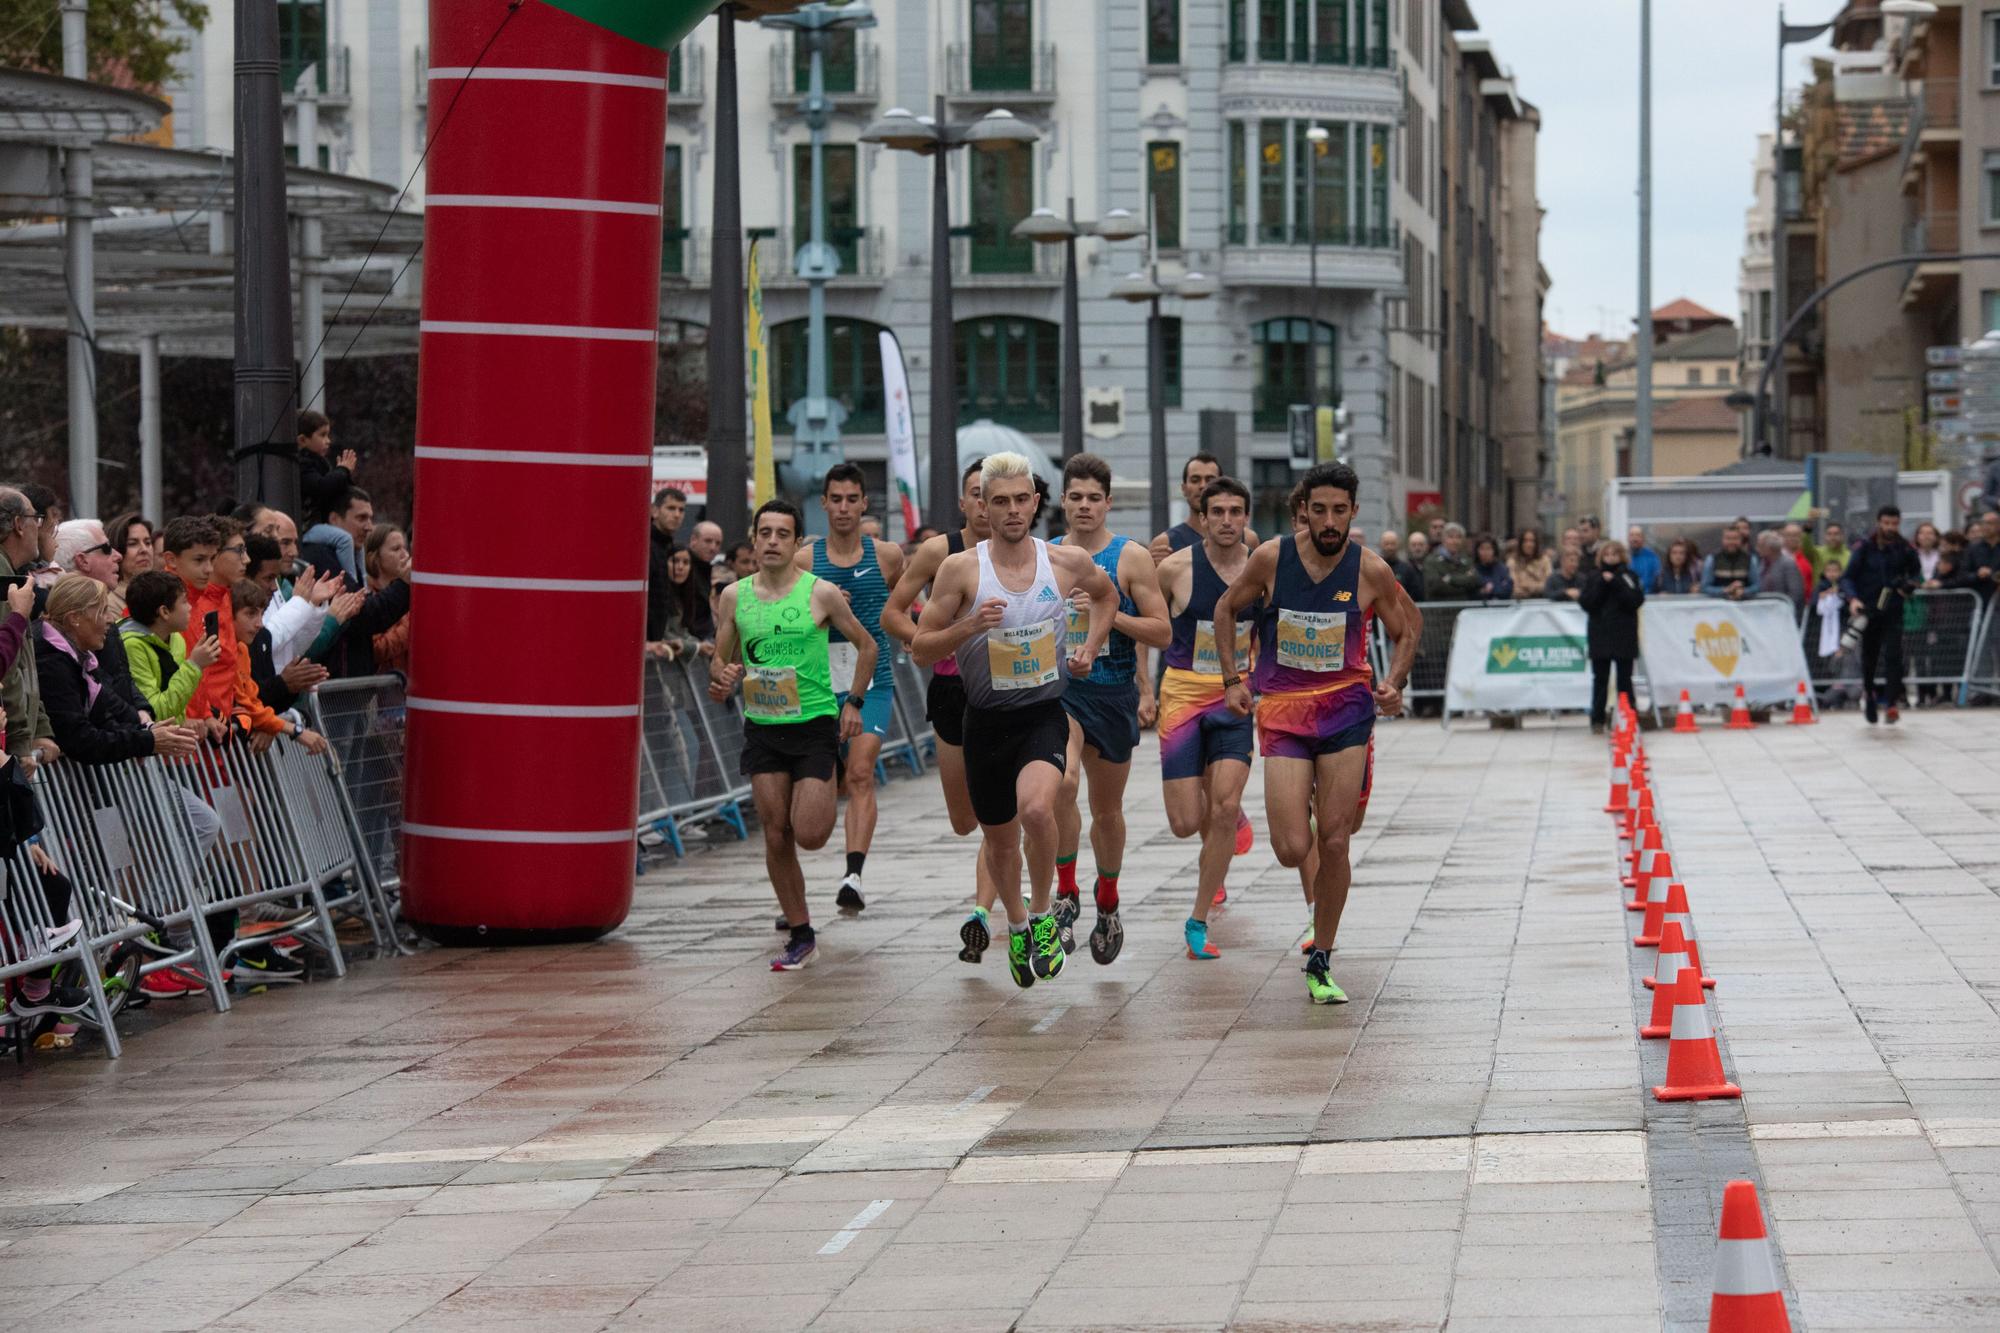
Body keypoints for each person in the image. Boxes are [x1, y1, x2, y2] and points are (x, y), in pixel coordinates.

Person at [1212, 462, 1418, 1004]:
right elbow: (1226, 608)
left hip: (1346, 712)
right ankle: (1294, 807)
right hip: (1283, 711)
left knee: (1334, 839)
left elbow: (1405, 630)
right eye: (1320, 510)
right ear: (1306, 511)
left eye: (1340, 511)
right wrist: (1233, 678)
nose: (1329, 521)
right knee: (1290, 846)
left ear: (1353, 511)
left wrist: (1394, 683)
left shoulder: (1370, 570)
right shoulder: (1272, 558)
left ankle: (1322, 953)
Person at [912, 453, 1117, 989]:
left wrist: (1091, 647)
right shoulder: (961, 569)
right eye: (998, 500)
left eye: (1020, 499)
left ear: (1034, 502)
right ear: (982, 503)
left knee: (1038, 808)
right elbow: (919, 647)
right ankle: (1019, 924)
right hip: (985, 722)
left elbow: (1106, 596)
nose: (1010, 510)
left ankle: (1045, 913)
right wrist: (969, 626)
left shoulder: (1065, 560)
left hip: (1043, 714)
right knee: (1000, 844)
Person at [709, 499, 879, 971]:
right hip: (763, 728)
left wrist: (855, 703)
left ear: (797, 542)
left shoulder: (819, 593)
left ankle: (830, 784)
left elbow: (867, 647)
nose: (772, 541)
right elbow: (720, 662)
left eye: (783, 534)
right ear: (754, 537)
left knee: (808, 834)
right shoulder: (734, 597)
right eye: (765, 532)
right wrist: (722, 677)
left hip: (813, 726)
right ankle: (802, 933)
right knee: (775, 832)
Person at [1049, 454, 1170, 962]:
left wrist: (1110, 613)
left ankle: (1108, 897)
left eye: (1093, 498)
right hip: (1059, 693)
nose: (1083, 506)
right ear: (1061, 502)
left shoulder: (1130, 557)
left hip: (1113, 693)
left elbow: (1161, 630)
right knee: (1063, 781)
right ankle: (1067, 888)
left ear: (1108, 503)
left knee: (1107, 811)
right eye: (1074, 497)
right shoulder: (1045, 554)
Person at [882, 459, 999, 961]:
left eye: (990, 495)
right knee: (963, 819)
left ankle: (983, 913)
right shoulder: (939, 551)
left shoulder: (1025, 554)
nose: (983, 504)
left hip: (1007, 694)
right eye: (975, 494)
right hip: (952, 693)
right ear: (964, 501)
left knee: (1001, 813)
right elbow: (892, 613)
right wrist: (930, 641)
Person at [1155, 477, 1264, 960]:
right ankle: (1223, 807)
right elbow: (1150, 627)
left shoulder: (1261, 570)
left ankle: (1198, 919)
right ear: (1201, 519)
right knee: (1184, 822)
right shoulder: (1176, 569)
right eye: (1216, 512)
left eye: (1235, 511)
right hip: (1182, 695)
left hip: (1234, 698)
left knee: (1220, 810)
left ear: (1246, 518)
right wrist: (1141, 685)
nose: (1225, 520)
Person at [795, 462, 906, 916]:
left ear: (864, 503)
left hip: (870, 675)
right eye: (834, 499)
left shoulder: (888, 556)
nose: (843, 508)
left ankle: (853, 875)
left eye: (851, 499)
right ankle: (794, 886)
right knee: (812, 783)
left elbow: (897, 604)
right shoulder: (804, 560)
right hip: (818, 678)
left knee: (860, 772)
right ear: (823, 504)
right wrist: (823, 612)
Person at [1840, 504, 1922, 724]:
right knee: (1870, 657)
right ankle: (1870, 694)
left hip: (1894, 608)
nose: (1890, 527)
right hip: (1869, 608)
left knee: (1894, 656)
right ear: (1879, 522)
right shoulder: (1864, 547)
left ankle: (1892, 702)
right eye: (1886, 523)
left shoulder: (1905, 548)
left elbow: (1916, 573)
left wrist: (1909, 586)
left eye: (1894, 523)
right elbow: (1847, 577)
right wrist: (1853, 599)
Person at [0, 489, 53, 769]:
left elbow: (25, 663)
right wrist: (20, 743)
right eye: (37, 518)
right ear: (19, 524)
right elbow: (6, 664)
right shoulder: (2, 574)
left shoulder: (12, 572)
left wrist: (40, 729)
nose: (40, 527)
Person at [1580, 539, 1644, 734]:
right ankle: (1597, 718)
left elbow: (1636, 600)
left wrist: (1615, 583)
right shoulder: (1593, 577)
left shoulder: (1628, 576)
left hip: (1623, 634)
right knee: (1600, 679)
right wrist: (1602, 584)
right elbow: (1586, 602)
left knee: (1625, 679)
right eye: (1606, 555)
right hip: (1600, 635)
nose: (1610, 558)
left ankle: (1629, 716)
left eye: (1614, 554)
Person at [300, 485, 373, 590]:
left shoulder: (353, 553)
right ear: (334, 519)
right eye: (361, 518)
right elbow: (355, 599)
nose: (369, 527)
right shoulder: (321, 557)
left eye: (370, 519)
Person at [363, 525, 413, 673]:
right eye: (396, 549)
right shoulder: (367, 596)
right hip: (379, 689)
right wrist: (410, 627)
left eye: (405, 548)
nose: (405, 554)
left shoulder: (408, 594)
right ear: (375, 558)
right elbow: (376, 649)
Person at [296, 409, 357, 526]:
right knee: (344, 539)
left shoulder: (320, 463)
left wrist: (345, 474)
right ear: (303, 440)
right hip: (308, 526)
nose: (328, 441)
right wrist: (342, 471)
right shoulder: (303, 464)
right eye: (323, 435)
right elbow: (321, 488)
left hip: (320, 523)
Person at [645, 549, 705, 663]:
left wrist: (700, 645)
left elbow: (681, 631)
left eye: (686, 562)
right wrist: (697, 647)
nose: (680, 567)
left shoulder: (683, 596)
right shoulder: (657, 596)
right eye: (675, 561)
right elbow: (664, 634)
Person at [647, 487, 689, 646]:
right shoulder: (647, 546)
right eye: (671, 508)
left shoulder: (666, 547)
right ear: (655, 511)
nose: (677, 514)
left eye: (681, 510)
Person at [1420, 522, 1480, 601]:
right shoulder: (1431, 560)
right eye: (1450, 537)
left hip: (1463, 608)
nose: (1455, 541)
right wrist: (1464, 581)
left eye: (1458, 537)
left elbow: (1475, 582)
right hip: (1439, 610)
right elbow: (1435, 586)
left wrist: (1449, 579)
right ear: (1443, 539)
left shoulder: (1467, 560)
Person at [1701, 525, 1760, 599]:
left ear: (1741, 540)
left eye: (1735, 538)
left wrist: (1744, 591)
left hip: (1744, 605)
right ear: (1722, 539)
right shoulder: (1712, 559)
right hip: (1718, 605)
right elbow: (1705, 587)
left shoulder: (1750, 559)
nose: (1731, 542)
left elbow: (1757, 586)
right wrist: (1726, 590)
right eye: (1728, 538)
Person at [108, 513, 154, 602]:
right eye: (132, 544)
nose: (144, 550)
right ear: (116, 550)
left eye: (148, 542)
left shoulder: (166, 595)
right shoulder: (108, 604)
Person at [1757, 530, 1805, 610]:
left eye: (1760, 546)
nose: (1757, 548)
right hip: (1766, 611)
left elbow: (1796, 592)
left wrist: (1783, 608)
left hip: (1783, 612)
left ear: (1769, 548)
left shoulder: (1788, 564)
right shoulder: (1763, 563)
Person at [1383, 530, 1427, 605]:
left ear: (1398, 545)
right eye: (1387, 544)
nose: (1390, 547)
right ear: (1381, 545)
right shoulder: (1376, 568)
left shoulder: (1407, 569)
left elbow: (1415, 594)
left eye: (1393, 544)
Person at [1507, 527, 1550, 600]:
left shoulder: (1544, 560)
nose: (1529, 544)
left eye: (1532, 541)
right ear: (1521, 543)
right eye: (1525, 541)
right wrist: (1537, 586)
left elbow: (1548, 585)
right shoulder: (1513, 561)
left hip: (1541, 600)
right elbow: (1514, 587)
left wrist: (1526, 585)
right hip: (1519, 601)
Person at [1470, 534, 1514, 600]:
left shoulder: (1502, 568)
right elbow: (1473, 594)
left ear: (1494, 550)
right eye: (1482, 548)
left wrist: (1489, 589)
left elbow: (1507, 589)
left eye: (1488, 548)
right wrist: (1497, 586)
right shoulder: (1473, 569)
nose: (1485, 552)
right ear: (1477, 551)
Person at [1626, 525, 1661, 593]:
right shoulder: (1623, 556)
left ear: (1643, 538)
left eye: (1638, 535)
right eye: (1632, 535)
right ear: (1628, 538)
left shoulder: (1652, 557)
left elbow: (1657, 578)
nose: (1635, 538)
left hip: (1649, 597)